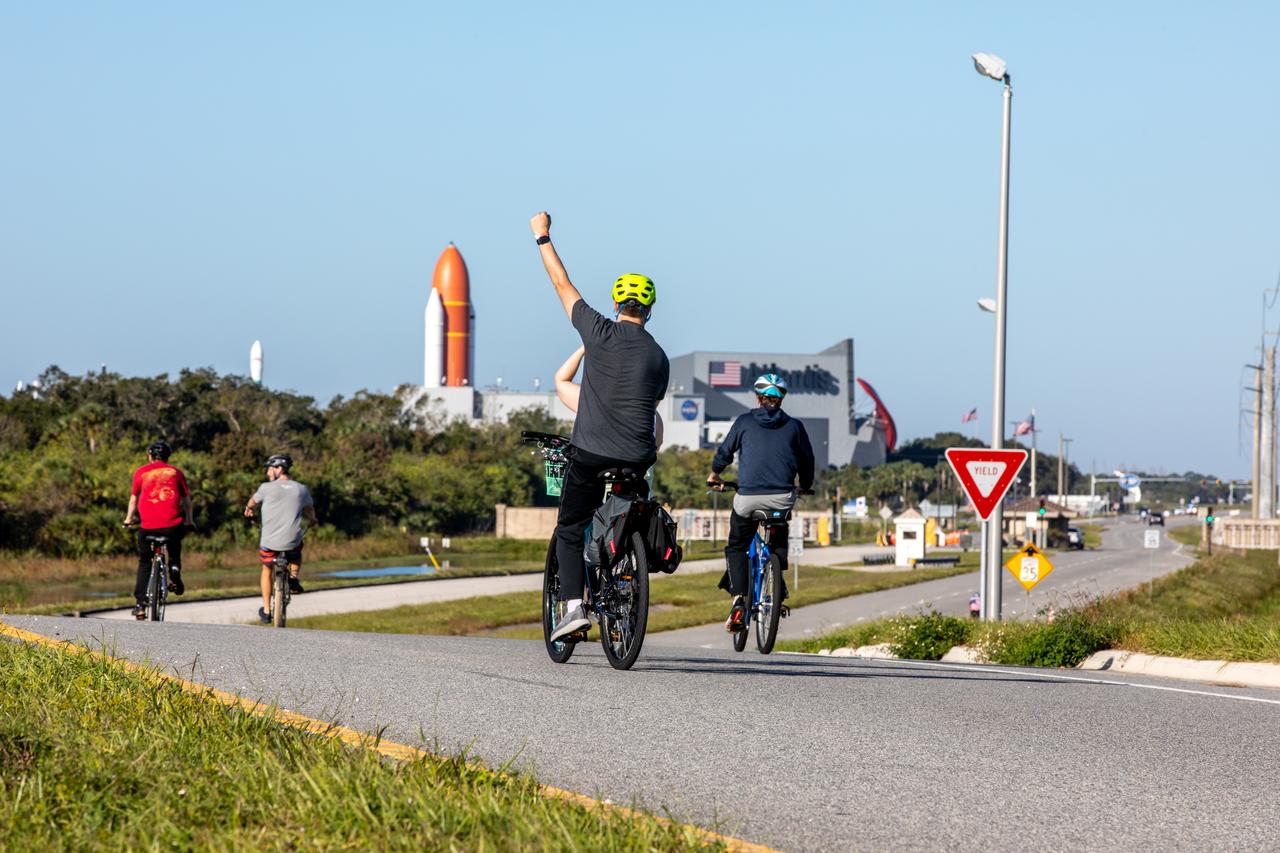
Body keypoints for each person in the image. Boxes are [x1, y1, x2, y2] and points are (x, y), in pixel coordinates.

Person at [531, 211, 670, 643]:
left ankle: (574, 607)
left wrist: (542, 236)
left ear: (615, 305)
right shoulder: (659, 357)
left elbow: (561, 282)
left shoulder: (597, 332)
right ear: (649, 310)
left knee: (570, 527)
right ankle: (625, 569)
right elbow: (651, 409)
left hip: (591, 456)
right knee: (630, 506)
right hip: (637, 457)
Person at [707, 374, 815, 632]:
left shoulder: (744, 422)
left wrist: (715, 473)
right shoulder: (795, 426)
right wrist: (804, 485)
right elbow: (807, 461)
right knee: (778, 531)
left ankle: (739, 601)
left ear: (758, 398)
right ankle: (777, 577)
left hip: (748, 498)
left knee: (737, 546)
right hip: (781, 497)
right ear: (781, 399)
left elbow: (725, 452)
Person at [123, 440, 194, 619]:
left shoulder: (141, 472)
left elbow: (133, 500)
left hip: (147, 528)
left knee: (145, 562)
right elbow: (187, 501)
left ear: (150, 455)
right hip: (171, 526)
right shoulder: (176, 472)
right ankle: (174, 570)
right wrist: (189, 521)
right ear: (168, 456)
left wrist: (128, 520)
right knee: (175, 545)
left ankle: (140, 604)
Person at [243, 453, 317, 624]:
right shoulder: (301, 489)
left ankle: (266, 610)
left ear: (279, 469)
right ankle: (294, 577)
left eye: (270, 469)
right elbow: (310, 511)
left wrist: (248, 508)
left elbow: (252, 502)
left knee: (267, 568)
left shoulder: (265, 488)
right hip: (292, 543)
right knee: (297, 551)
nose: (268, 473)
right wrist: (313, 520)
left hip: (269, 543)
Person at [555, 345, 664, 449]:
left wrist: (586, 346)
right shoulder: (654, 417)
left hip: (594, 458)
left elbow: (561, 380)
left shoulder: (594, 400)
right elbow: (655, 447)